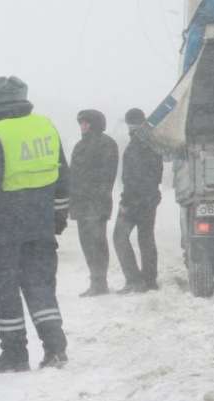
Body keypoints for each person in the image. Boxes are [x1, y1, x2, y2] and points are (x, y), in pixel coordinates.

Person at [0, 76, 70, 374]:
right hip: (40, 225)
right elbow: (62, 177)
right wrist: (59, 215)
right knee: (40, 287)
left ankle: (14, 354)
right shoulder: (46, 127)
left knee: (5, 289)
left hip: (5, 230)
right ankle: (55, 349)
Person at [113, 108, 163, 293]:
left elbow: (133, 177)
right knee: (146, 238)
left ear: (130, 124)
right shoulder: (152, 141)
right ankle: (150, 280)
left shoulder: (137, 144)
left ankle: (134, 280)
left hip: (135, 200)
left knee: (119, 237)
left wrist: (126, 201)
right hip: (149, 198)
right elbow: (155, 174)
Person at [70, 109, 119, 297]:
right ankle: (95, 281)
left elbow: (107, 175)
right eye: (81, 123)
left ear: (95, 124)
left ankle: (100, 283)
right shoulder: (79, 146)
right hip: (81, 203)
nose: (82, 126)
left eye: (85, 123)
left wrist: (94, 196)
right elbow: (74, 174)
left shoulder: (106, 144)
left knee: (97, 243)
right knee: (86, 243)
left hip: (96, 203)